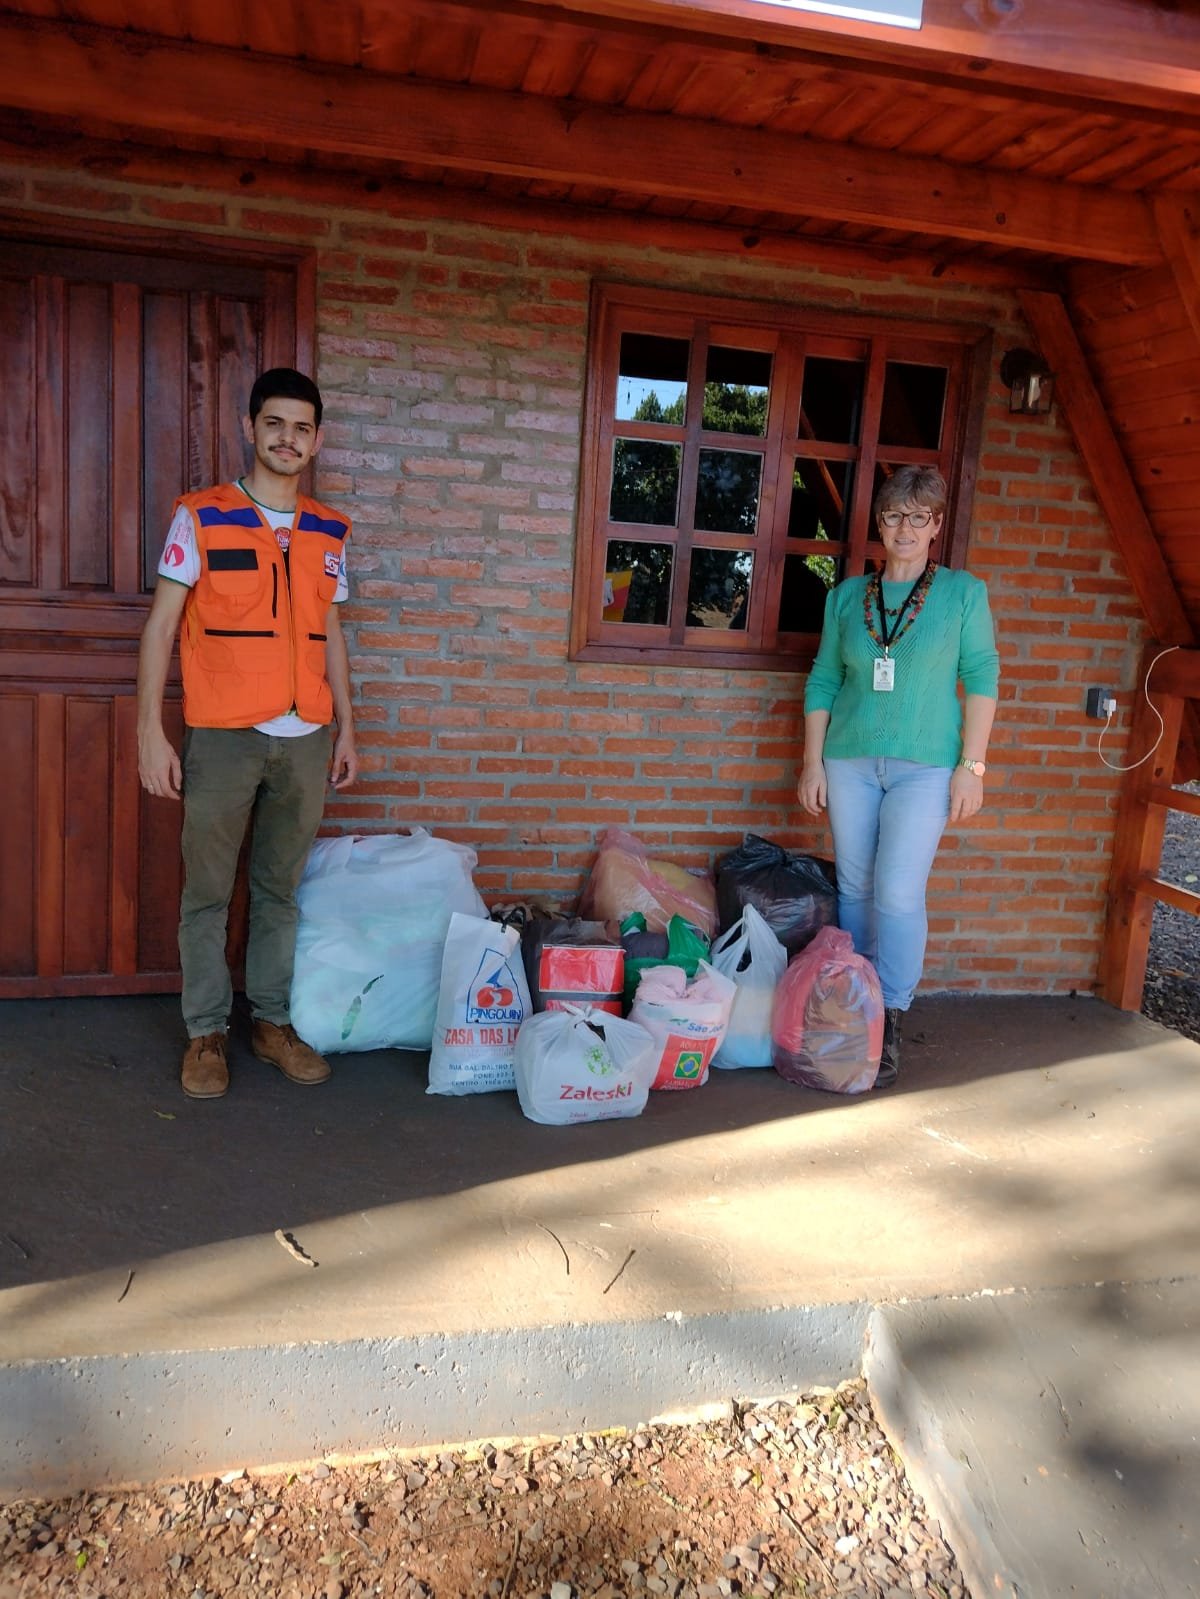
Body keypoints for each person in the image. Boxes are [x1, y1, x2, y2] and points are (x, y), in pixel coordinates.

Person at [137, 368, 358, 1100]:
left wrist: (346, 730)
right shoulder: (201, 517)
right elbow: (162, 625)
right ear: (250, 427)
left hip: (305, 741)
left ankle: (270, 1023)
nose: (287, 438)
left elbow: (331, 636)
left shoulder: (329, 531)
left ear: (316, 440)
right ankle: (205, 1032)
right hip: (224, 737)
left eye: (301, 427)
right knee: (205, 891)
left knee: (279, 890)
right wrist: (149, 729)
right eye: (275, 423)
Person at [797, 466, 999, 1088]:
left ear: (936, 525)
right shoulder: (845, 597)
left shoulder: (963, 594)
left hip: (926, 767)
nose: (904, 528)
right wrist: (811, 760)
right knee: (855, 889)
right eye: (893, 516)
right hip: (849, 760)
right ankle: (858, 1008)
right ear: (878, 524)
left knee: (899, 892)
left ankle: (892, 1014)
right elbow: (824, 679)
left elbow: (983, 676)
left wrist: (972, 765)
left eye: (918, 517)